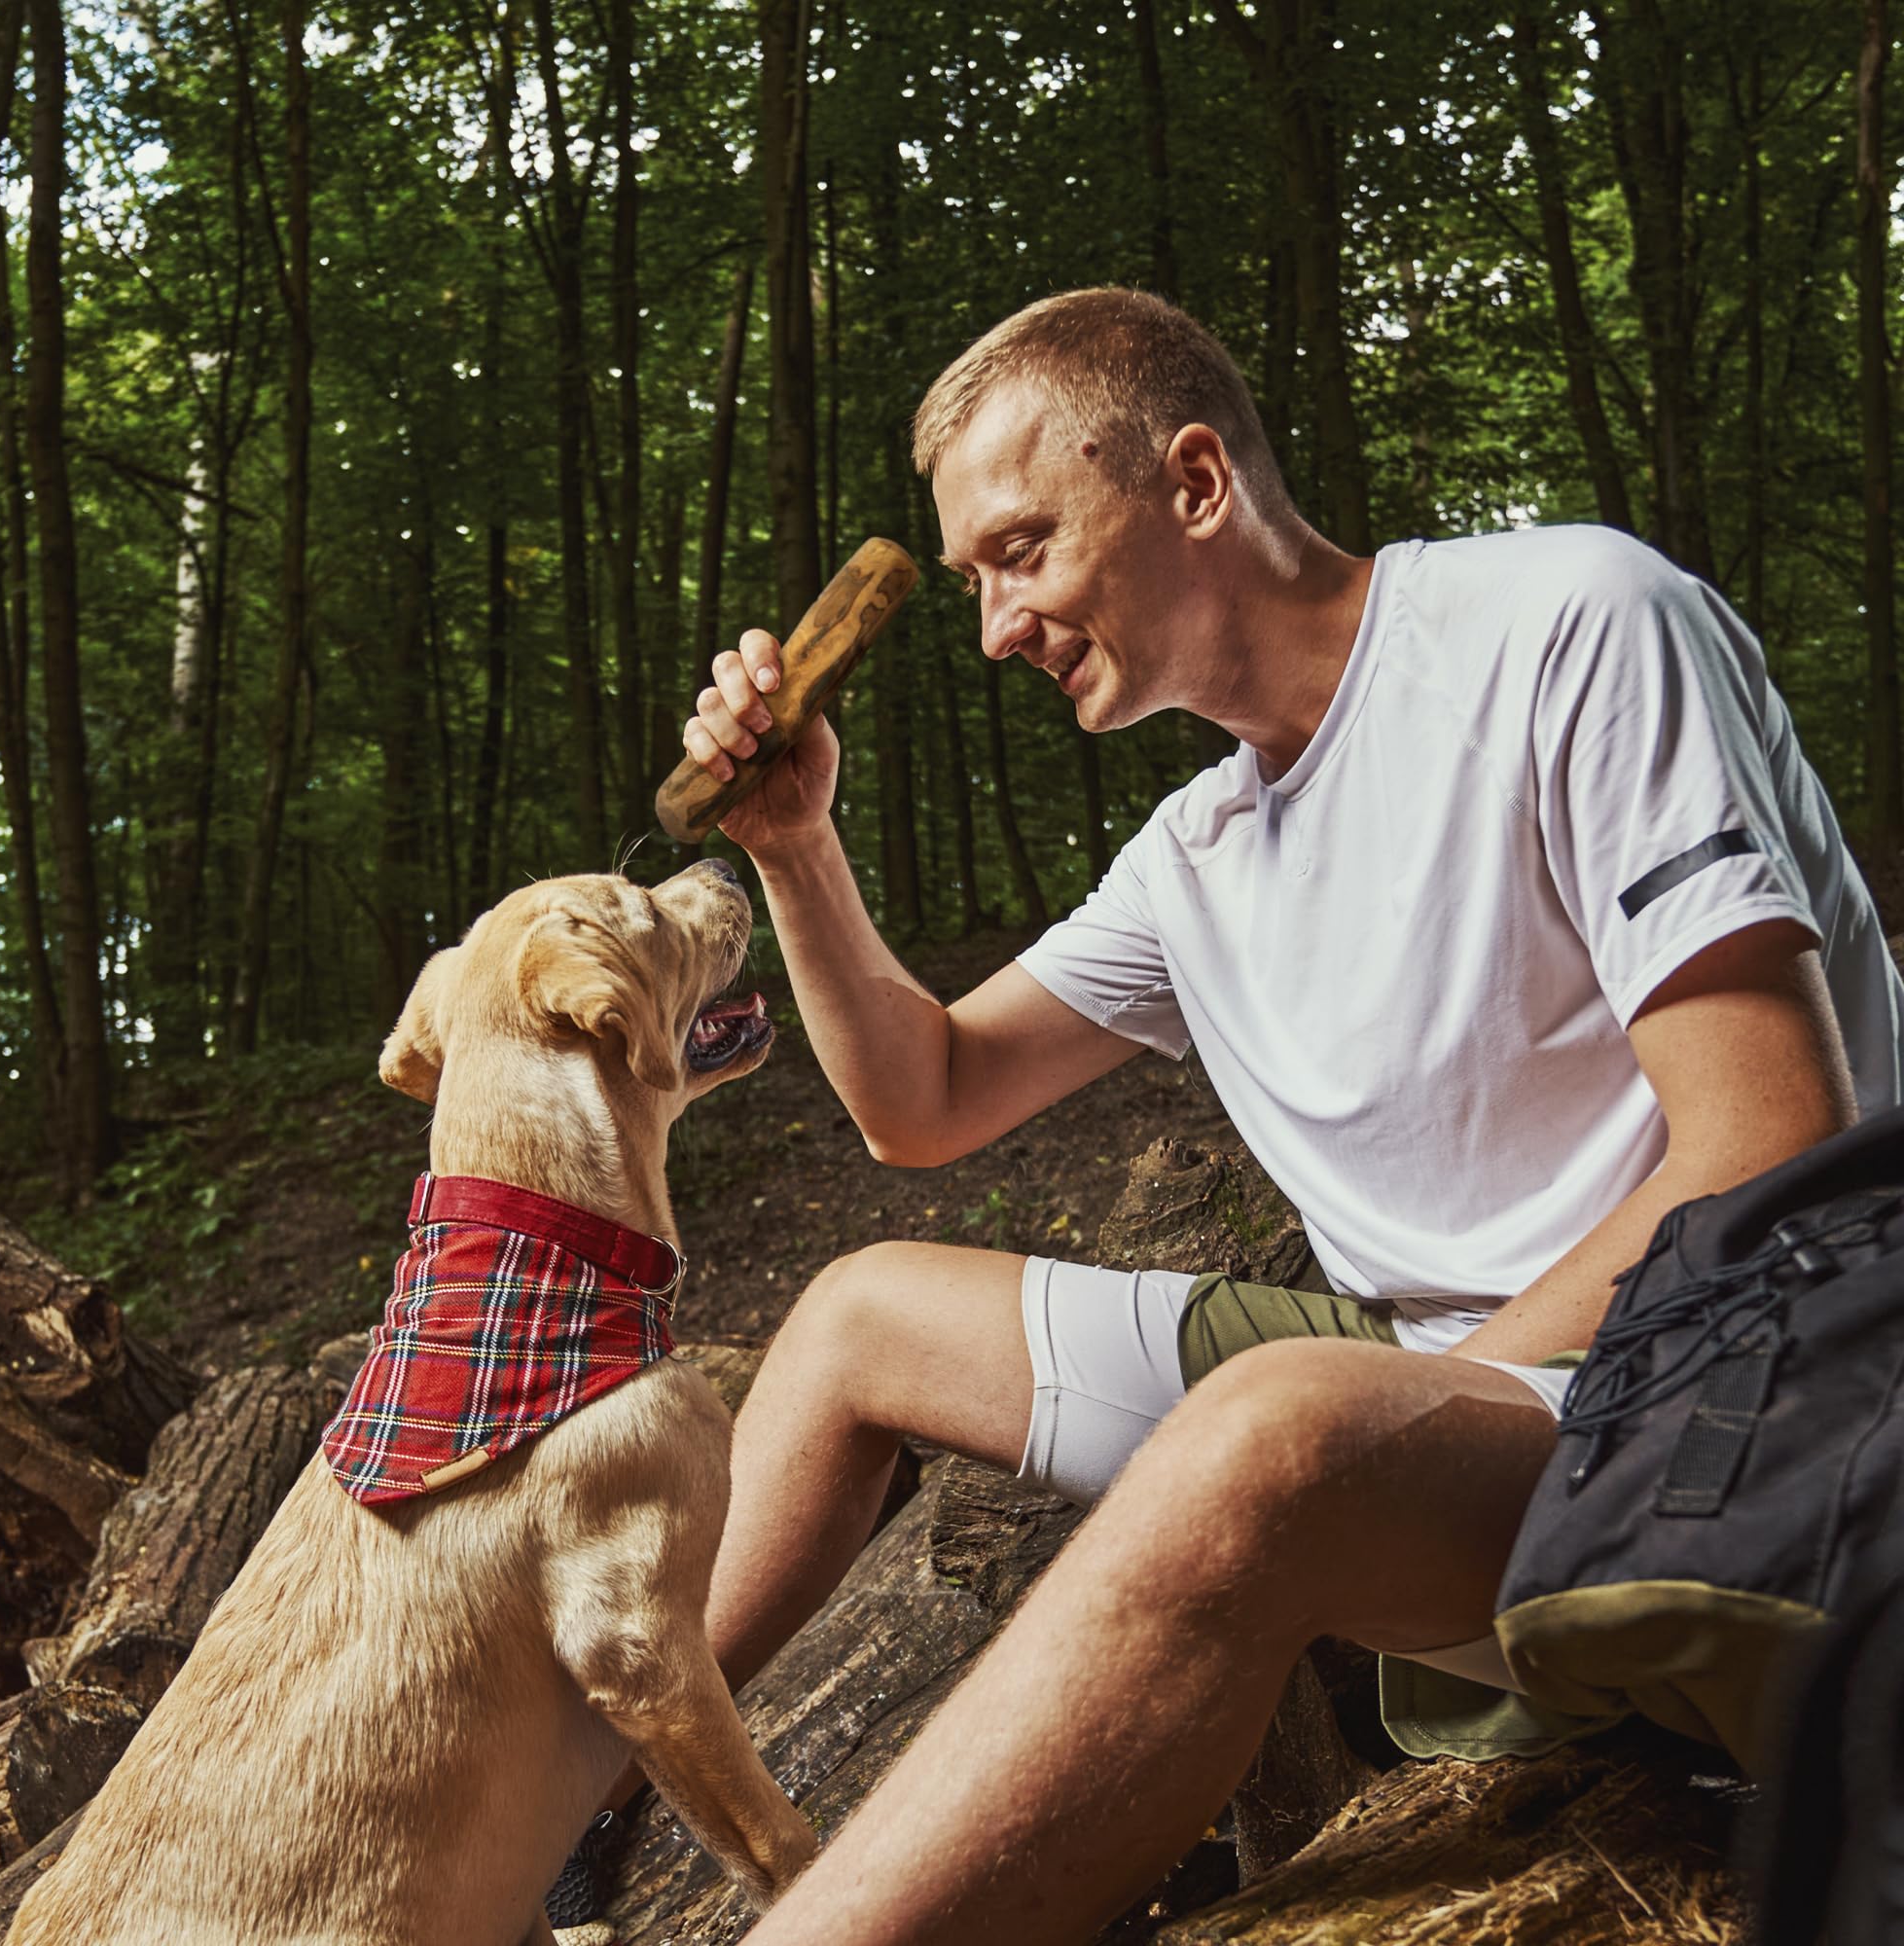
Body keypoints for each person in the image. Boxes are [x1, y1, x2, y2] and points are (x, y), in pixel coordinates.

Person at [640, 288, 1901, 1943]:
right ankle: (557, 1819)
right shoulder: (1199, 855)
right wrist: (796, 849)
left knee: (1280, 1429)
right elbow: (925, 1099)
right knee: (866, 1313)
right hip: (1454, 1396)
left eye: (1020, 549)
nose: (994, 625)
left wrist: (1398, 1408)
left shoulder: (1570, 623)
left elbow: (1770, 1141)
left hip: (1755, 1392)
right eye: (968, 581)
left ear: (1193, 482)